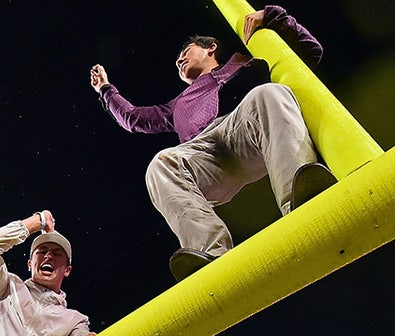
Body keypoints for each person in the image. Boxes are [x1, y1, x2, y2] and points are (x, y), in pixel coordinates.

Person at [89, 5, 335, 280]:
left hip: (245, 130)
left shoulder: (244, 60)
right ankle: (210, 252)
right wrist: (106, 91)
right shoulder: (177, 106)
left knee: (269, 93)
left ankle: (300, 198)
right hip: (206, 155)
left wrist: (272, 16)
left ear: (210, 48)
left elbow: (310, 52)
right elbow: (134, 119)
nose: (179, 61)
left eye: (185, 52)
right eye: (178, 60)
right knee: (160, 164)